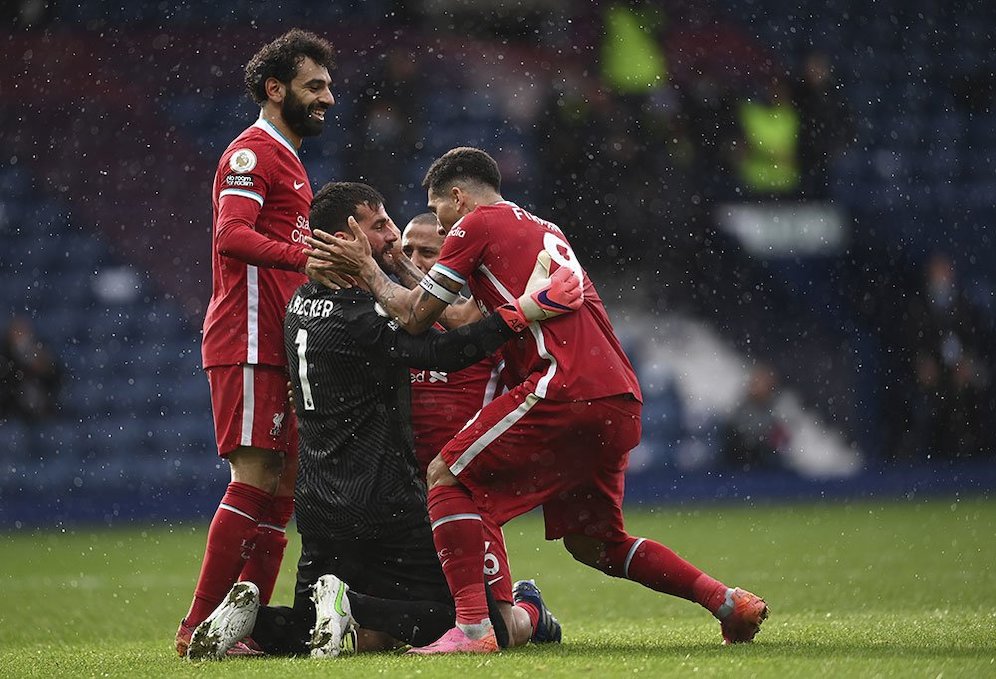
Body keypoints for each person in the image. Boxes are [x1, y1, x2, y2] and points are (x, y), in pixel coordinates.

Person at [306, 147, 769, 653]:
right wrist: (401, 266)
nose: (439, 226)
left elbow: (417, 319)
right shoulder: (541, 230)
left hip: (561, 387)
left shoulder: (473, 227)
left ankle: (474, 631)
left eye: (437, 211)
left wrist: (369, 268)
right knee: (597, 545)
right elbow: (462, 319)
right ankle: (727, 602)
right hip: (617, 397)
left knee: (447, 476)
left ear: (457, 197)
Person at [186, 182, 578, 660]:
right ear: (344, 238)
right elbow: (440, 349)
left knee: (328, 629)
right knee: (473, 621)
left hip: (319, 501)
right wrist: (520, 314)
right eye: (380, 226)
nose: (392, 235)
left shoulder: (298, 305)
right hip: (384, 498)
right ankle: (355, 605)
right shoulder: (365, 314)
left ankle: (253, 623)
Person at [177, 28, 345, 658]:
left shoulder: (291, 160)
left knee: (284, 487)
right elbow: (232, 236)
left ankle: (236, 630)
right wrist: (308, 255)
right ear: (276, 90)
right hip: (246, 336)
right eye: (315, 85)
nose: (328, 97)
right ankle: (196, 627)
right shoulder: (251, 153)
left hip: (278, 341)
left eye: (329, 85)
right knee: (256, 476)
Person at [0, 315, 61, 421]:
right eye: (17, 333)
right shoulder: (5, 357)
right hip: (10, 413)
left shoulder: (39, 353)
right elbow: (7, 383)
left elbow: (57, 380)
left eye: (23, 333)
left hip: (36, 415)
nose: (21, 338)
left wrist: (44, 367)